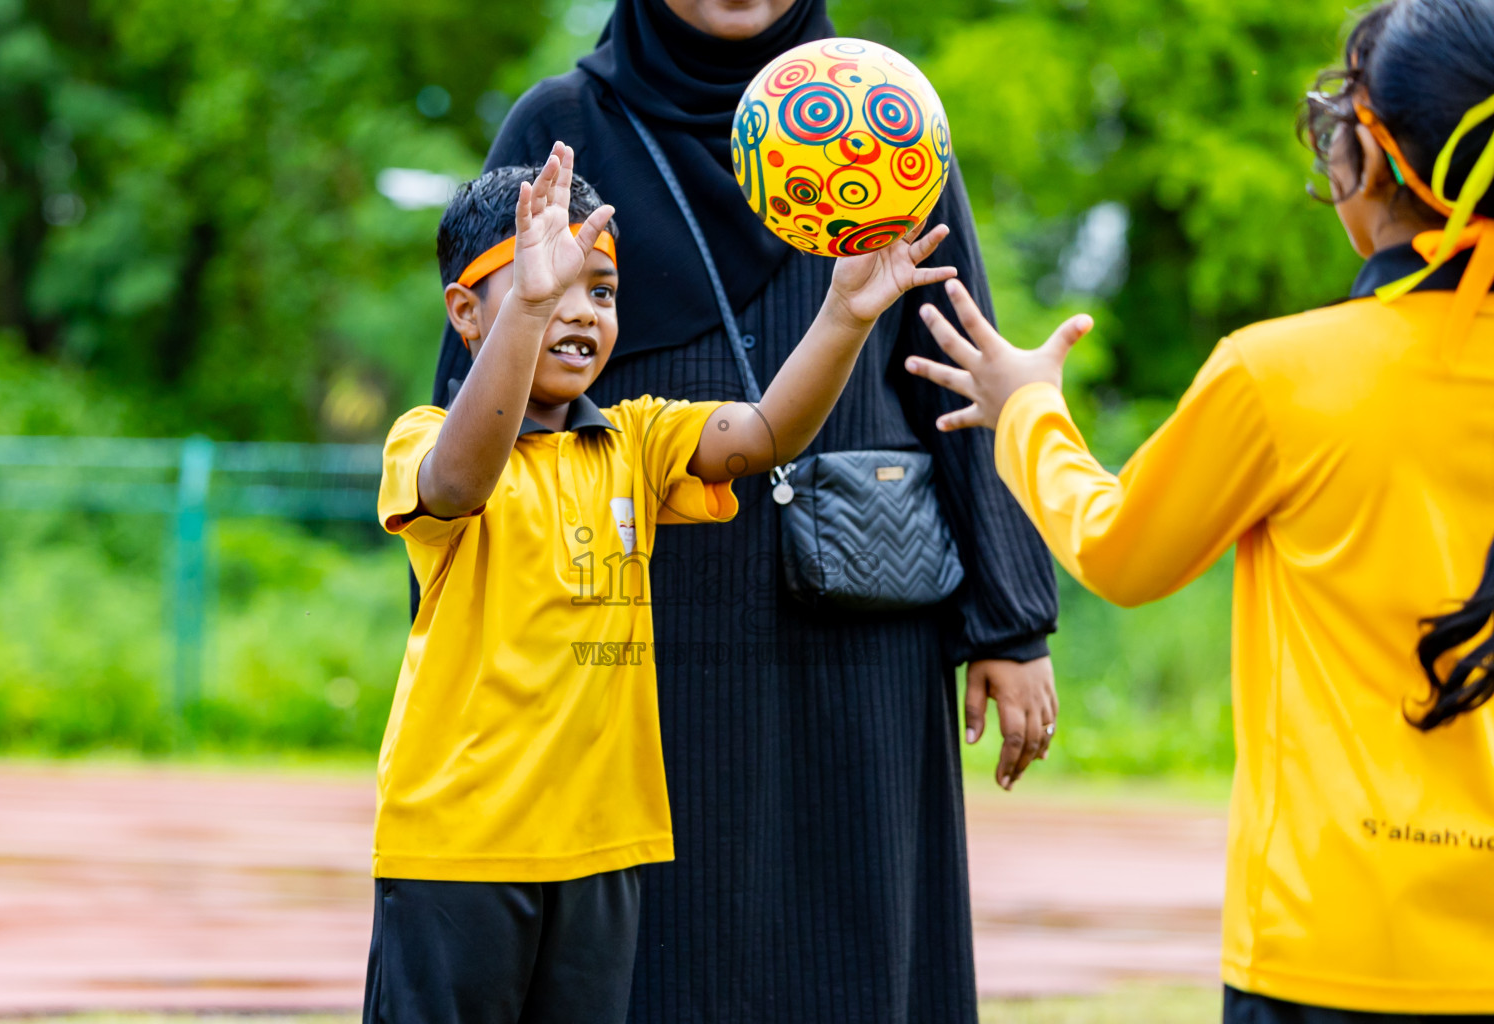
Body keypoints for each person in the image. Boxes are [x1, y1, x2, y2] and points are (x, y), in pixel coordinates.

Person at [424, 2, 1061, 1019]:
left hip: (862, 626)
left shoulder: (883, 115)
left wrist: (1013, 620)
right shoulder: (562, 131)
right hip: (632, 628)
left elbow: (960, 362)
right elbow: (472, 407)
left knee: (856, 947)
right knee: (651, 951)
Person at [904, 0, 1494, 1019]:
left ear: (1369, 156)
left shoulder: (1283, 377)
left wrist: (1026, 410)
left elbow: (1121, 552)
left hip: (1330, 937)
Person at [367, 144, 955, 1022]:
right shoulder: (427, 440)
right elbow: (460, 483)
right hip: (459, 853)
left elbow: (763, 435)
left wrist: (844, 314)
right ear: (466, 312)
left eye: (598, 291)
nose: (580, 311)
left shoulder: (633, 443)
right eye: (546, 283)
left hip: (604, 850)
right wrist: (527, 309)